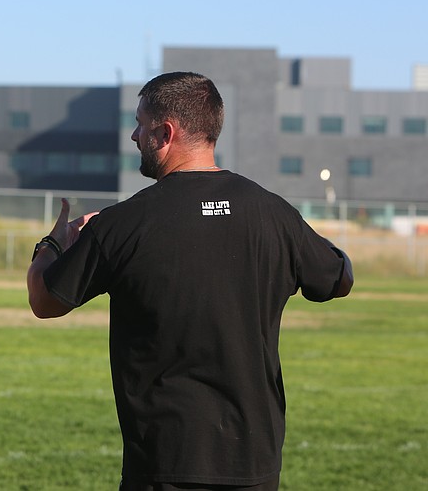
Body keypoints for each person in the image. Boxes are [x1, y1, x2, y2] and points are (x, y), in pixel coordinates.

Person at [27, 71, 354, 491]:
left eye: (140, 124)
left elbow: (44, 299)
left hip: (164, 464)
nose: (132, 136)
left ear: (164, 133)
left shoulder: (121, 223)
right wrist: (307, 240)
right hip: (254, 464)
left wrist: (54, 242)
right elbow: (338, 277)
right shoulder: (273, 213)